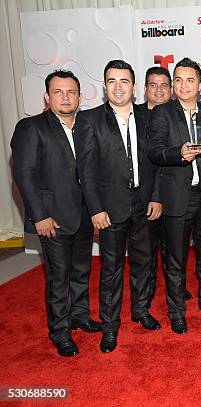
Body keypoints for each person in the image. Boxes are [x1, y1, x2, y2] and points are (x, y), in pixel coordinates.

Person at [75, 60, 162, 353]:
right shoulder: (90, 120)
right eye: (112, 81)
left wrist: (157, 196)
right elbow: (85, 171)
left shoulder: (148, 117)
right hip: (110, 208)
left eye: (124, 81)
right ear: (104, 86)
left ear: (134, 87)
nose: (118, 87)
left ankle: (140, 310)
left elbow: (157, 162)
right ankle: (110, 326)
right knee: (111, 269)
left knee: (144, 262)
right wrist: (95, 209)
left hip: (144, 201)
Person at [11, 70, 100, 357]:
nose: (65, 97)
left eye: (71, 92)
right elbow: (24, 175)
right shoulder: (31, 127)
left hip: (85, 214)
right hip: (52, 218)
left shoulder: (85, 127)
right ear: (47, 97)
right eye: (58, 92)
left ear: (79, 96)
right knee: (58, 276)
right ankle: (60, 331)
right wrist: (39, 216)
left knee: (81, 270)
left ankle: (80, 315)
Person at [147, 57, 201, 333]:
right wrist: (177, 153)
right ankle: (177, 311)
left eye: (189, 79)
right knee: (175, 259)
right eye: (178, 80)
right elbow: (154, 150)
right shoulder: (162, 113)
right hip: (177, 197)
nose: (183, 85)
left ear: (199, 84)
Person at [139, 66, 172, 309]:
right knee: (147, 252)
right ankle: (146, 296)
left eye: (163, 85)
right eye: (153, 85)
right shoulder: (133, 115)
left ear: (171, 89)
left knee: (173, 249)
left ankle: (175, 289)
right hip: (144, 197)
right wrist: (155, 196)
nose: (158, 90)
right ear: (145, 89)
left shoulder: (177, 114)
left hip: (173, 194)